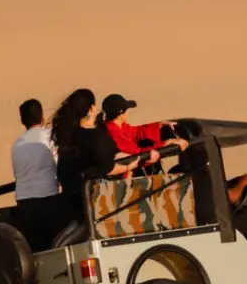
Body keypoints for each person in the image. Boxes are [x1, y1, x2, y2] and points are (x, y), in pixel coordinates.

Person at [50, 88, 142, 218]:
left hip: (71, 199)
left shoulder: (69, 135)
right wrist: (128, 167)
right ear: (91, 108)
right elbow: (107, 167)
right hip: (93, 203)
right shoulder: (94, 137)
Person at [11, 98, 74, 251]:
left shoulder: (17, 144)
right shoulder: (50, 136)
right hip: (48, 200)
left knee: (37, 250)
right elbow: (61, 165)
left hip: (24, 203)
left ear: (22, 120)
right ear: (42, 117)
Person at [96, 93, 189, 176]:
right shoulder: (113, 133)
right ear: (120, 113)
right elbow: (138, 154)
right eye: (126, 109)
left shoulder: (117, 126)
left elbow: (136, 132)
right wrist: (168, 143)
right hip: (124, 176)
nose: (128, 112)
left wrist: (159, 125)